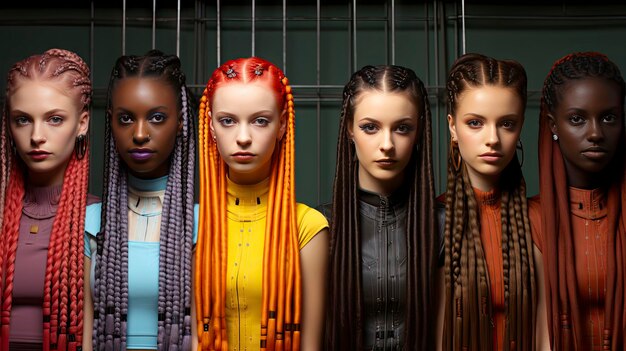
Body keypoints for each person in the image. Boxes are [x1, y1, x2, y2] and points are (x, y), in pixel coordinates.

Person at [195, 57, 329, 350]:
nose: (243, 138)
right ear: (211, 126)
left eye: (260, 120)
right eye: (228, 121)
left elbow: (310, 345)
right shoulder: (193, 224)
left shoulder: (307, 227)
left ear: (282, 125)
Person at [86, 50, 196, 350]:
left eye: (157, 117)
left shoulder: (202, 224)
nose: (139, 134)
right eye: (126, 118)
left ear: (181, 121)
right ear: (111, 122)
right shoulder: (91, 223)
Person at [321, 65, 437, 350]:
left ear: (419, 130)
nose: (387, 144)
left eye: (402, 128)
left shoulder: (443, 225)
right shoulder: (321, 226)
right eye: (370, 127)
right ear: (349, 128)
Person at [437, 53, 548, 351]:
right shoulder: (435, 220)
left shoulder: (537, 219)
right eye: (475, 123)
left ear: (521, 126)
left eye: (507, 124)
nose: (493, 139)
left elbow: (544, 335)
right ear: (452, 127)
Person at [0, 48, 96, 350]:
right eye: (23, 120)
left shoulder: (96, 219)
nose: (36, 136)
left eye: (54, 119)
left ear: (82, 124)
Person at [530, 52, 626, 350]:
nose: (595, 133)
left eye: (608, 117)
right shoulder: (531, 219)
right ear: (553, 125)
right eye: (577, 119)